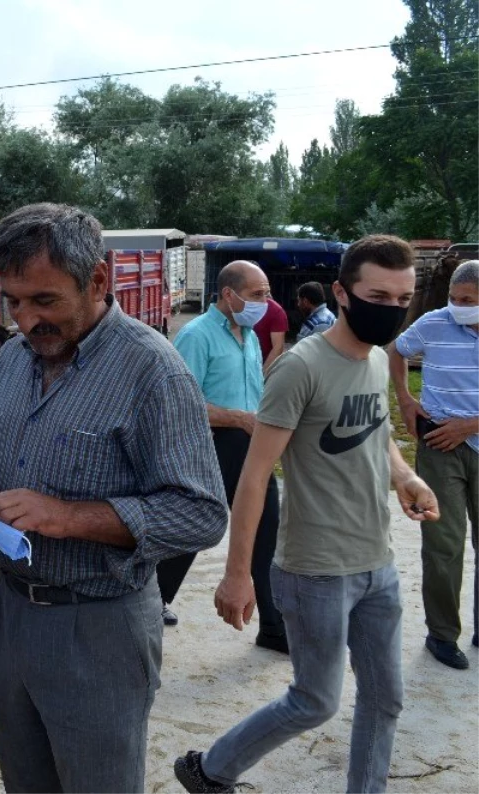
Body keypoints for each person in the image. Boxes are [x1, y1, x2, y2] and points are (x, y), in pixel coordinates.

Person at [0, 203, 228, 794]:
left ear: (96, 281)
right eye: (13, 301)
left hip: (101, 626)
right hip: (13, 616)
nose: (24, 320)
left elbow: (201, 512)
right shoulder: (12, 360)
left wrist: (69, 517)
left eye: (43, 301)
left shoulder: (153, 372)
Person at [176, 234, 440, 794]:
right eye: (378, 295)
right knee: (315, 701)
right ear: (343, 293)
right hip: (315, 570)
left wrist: (407, 476)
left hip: (378, 564)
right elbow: (254, 475)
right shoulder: (300, 368)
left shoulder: (372, 362)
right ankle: (210, 770)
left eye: (402, 299)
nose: (391, 309)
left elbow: (376, 437)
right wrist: (237, 573)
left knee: (385, 698)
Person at [162, 261, 287, 651]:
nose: (265, 303)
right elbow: (178, 402)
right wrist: (235, 417)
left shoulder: (248, 333)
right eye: (256, 295)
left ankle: (273, 626)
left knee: (265, 531)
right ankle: (151, 601)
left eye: (266, 294)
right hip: (213, 444)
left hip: (250, 445)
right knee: (194, 529)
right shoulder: (198, 336)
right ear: (229, 294)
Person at [391, 259, 479, 670]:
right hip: (439, 447)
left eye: (468, 301)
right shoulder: (435, 322)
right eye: (454, 298)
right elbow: (396, 350)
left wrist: (470, 425)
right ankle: (442, 635)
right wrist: (406, 400)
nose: (458, 306)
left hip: (469, 435)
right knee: (443, 544)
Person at [252, 293, 289, 371]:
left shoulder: (275, 311)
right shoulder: (234, 306)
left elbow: (278, 348)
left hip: (262, 365)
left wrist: (262, 375)